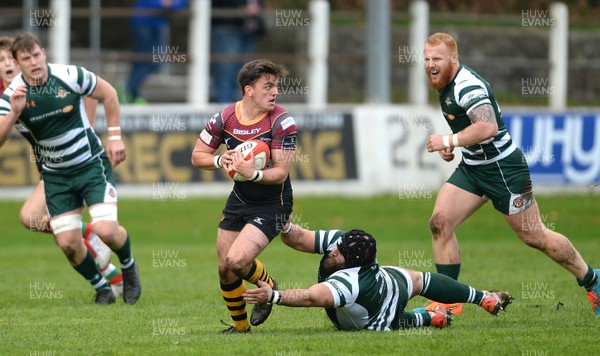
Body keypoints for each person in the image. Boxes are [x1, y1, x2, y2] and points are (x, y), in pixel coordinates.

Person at [422, 32, 600, 315]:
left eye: (437, 59)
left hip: (503, 169)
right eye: (427, 58)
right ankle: (448, 301)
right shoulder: (446, 82)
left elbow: (487, 127)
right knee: (440, 223)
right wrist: (454, 144)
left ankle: (592, 279)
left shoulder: (467, 86)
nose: (431, 64)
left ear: (454, 58)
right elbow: (470, 127)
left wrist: (448, 141)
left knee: (534, 236)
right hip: (473, 168)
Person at [0, 32, 141, 305]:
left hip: (89, 166)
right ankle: (103, 286)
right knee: (64, 241)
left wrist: (111, 135)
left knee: (107, 229)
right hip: (55, 175)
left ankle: (128, 267)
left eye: (36, 55)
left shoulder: (68, 75)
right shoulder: (11, 97)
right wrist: (15, 113)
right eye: (24, 58)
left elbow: (105, 92)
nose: (33, 62)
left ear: (44, 53)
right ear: (20, 63)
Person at [191, 58, 297, 333]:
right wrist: (219, 161)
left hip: (274, 203)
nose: (275, 92)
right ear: (249, 90)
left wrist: (253, 174)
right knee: (225, 268)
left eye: (276, 86)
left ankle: (270, 287)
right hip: (239, 200)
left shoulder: (283, 122)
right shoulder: (225, 117)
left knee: (237, 261)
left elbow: (281, 173)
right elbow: (197, 156)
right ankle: (240, 329)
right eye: (268, 86)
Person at [243, 224, 513, 331]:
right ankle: (484, 297)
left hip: (376, 312)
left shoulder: (348, 283)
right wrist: (282, 221)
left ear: (351, 262)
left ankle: (429, 317)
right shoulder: (344, 243)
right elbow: (299, 239)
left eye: (338, 252)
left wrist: (274, 296)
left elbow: (311, 296)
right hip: (388, 280)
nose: (333, 250)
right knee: (420, 280)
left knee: (392, 321)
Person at [124, 0, 188, 103]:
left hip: (157, 25)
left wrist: (169, 4)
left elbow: (182, 3)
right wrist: (163, 3)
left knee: (155, 60)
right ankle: (131, 91)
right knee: (142, 60)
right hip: (142, 22)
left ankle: (129, 89)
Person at [211, 0, 266, 103]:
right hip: (227, 25)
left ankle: (235, 108)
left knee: (243, 71)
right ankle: (225, 108)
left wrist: (257, 7)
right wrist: (243, 7)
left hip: (250, 28)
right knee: (226, 69)